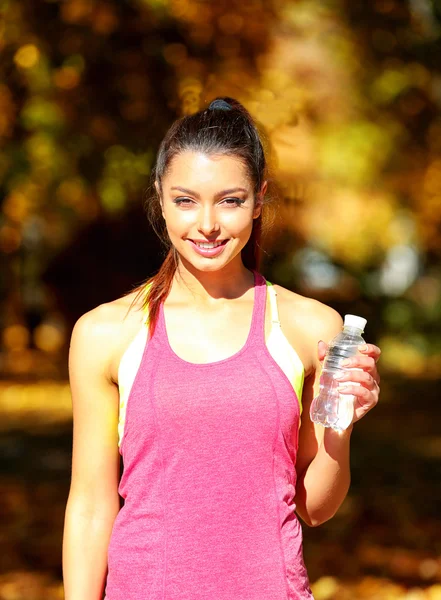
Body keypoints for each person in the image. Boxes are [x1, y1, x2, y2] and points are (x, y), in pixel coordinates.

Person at [62, 96, 381, 600]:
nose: (207, 224)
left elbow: (315, 508)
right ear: (160, 200)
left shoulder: (308, 327)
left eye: (230, 200)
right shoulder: (106, 333)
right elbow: (89, 504)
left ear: (259, 200)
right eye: (185, 200)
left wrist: (340, 426)